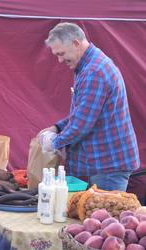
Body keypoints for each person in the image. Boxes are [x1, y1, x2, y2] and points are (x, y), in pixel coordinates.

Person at [38, 22, 140, 191]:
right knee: (95, 216)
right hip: (105, 163)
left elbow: (81, 126)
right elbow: (84, 113)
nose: (60, 60)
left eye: (61, 53)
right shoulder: (88, 66)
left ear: (76, 43)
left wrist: (54, 143)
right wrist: (57, 127)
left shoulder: (94, 72)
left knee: (104, 216)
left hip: (108, 165)